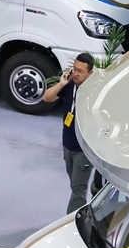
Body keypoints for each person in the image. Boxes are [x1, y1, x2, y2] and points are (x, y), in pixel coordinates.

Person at [39, 52, 97, 214]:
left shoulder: (93, 92)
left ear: (90, 73)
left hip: (83, 150)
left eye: (80, 71)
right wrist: (61, 84)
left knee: (78, 190)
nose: (76, 73)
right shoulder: (70, 85)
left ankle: (72, 219)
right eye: (74, 69)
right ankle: (88, 208)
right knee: (74, 184)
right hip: (68, 144)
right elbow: (47, 98)